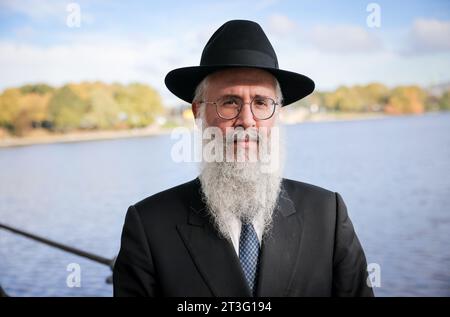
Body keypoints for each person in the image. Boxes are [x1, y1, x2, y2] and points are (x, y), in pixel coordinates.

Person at [113, 19, 374, 297]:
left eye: (261, 103)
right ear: (198, 111)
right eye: (230, 102)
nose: (247, 121)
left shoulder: (327, 215)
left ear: (278, 113)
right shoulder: (149, 225)